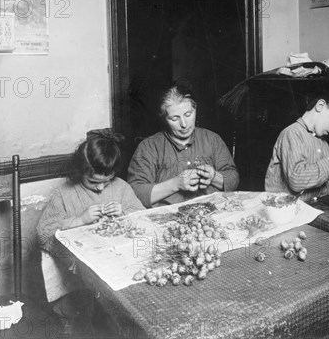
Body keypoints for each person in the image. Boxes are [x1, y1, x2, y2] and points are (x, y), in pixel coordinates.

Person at [36, 129, 145, 334]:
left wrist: (124, 212)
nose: (101, 188)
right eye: (94, 182)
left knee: (127, 314)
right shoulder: (64, 193)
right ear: (80, 172)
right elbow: (43, 232)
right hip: (82, 279)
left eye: (107, 180)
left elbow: (142, 216)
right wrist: (80, 220)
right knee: (89, 322)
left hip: (121, 267)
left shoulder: (120, 187)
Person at [128, 84, 239, 207]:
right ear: (164, 118)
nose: (184, 124)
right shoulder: (148, 147)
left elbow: (233, 179)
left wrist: (214, 176)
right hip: (168, 219)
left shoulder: (212, 139)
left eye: (188, 114)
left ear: (195, 109)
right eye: (175, 119)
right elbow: (135, 193)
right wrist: (176, 184)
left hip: (212, 211)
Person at [264, 88, 329, 201]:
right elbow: (296, 181)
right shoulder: (292, 133)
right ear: (320, 106)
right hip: (290, 210)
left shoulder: (323, 141)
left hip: (318, 205)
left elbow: (321, 180)